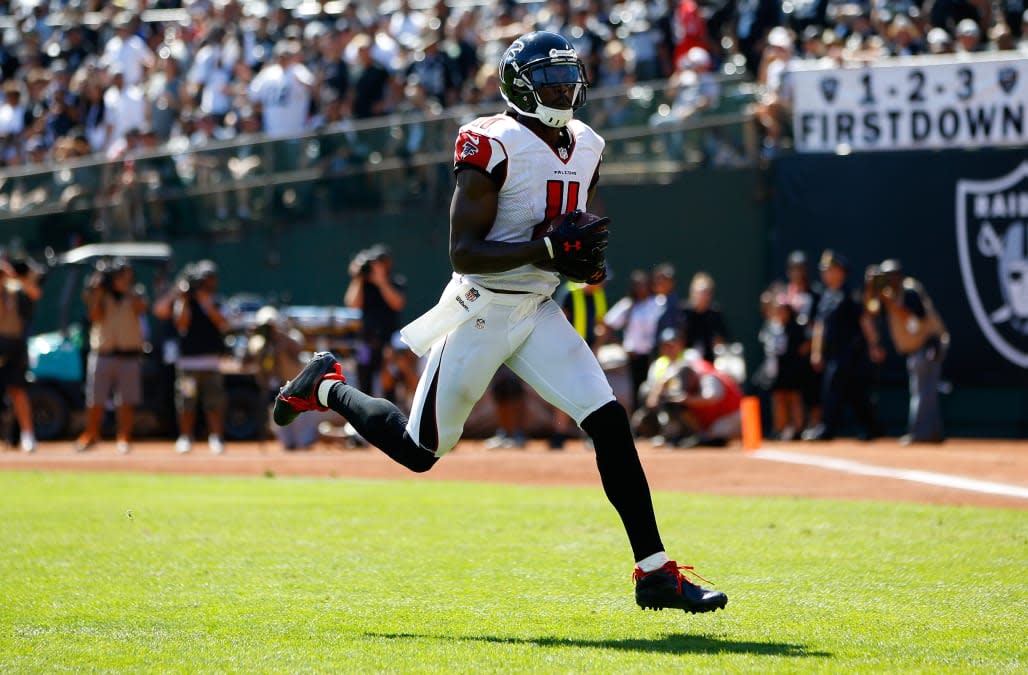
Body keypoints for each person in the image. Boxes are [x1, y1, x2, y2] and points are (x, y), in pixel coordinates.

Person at [273, 31, 727, 614]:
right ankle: (327, 386)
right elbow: (464, 252)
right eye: (550, 80)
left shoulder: (588, 143)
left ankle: (656, 572)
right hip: (481, 309)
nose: (564, 88)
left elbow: (580, 231)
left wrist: (587, 261)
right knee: (420, 452)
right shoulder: (492, 142)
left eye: (568, 76)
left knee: (610, 422)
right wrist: (548, 252)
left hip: (537, 308)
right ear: (519, 85)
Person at [866, 260, 949, 445]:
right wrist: (871, 289)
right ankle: (934, 432)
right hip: (917, 348)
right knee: (927, 390)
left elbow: (914, 321)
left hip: (929, 345)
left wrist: (888, 301)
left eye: (893, 275)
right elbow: (871, 309)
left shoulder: (910, 290)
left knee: (922, 390)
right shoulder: (887, 295)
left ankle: (919, 433)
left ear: (900, 276)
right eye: (886, 277)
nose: (890, 280)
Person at [803, 250, 881, 442]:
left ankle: (827, 428)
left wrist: (874, 345)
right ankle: (872, 427)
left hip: (851, 353)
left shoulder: (851, 293)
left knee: (837, 389)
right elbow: (820, 326)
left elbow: (865, 320)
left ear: (840, 272)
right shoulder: (826, 296)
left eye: (830, 270)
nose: (825, 274)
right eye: (824, 270)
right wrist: (816, 352)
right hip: (832, 352)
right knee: (854, 393)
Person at [154, 260, 229, 454]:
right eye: (204, 279)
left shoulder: (216, 300)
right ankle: (186, 437)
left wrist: (206, 302)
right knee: (186, 401)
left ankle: (216, 438)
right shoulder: (184, 301)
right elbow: (180, 324)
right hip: (188, 364)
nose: (207, 283)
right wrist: (182, 296)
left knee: (214, 401)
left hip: (211, 363)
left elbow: (223, 323)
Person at [75, 259, 148, 454]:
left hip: (129, 355)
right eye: (121, 275)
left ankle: (124, 437)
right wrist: (99, 288)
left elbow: (142, 308)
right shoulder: (100, 295)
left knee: (126, 400)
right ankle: (91, 434)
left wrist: (127, 290)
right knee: (95, 399)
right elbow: (94, 316)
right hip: (103, 353)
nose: (125, 278)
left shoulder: (135, 293)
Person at [344, 244, 407, 398]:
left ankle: (391, 409)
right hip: (367, 340)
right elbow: (352, 304)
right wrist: (357, 277)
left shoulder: (395, 281)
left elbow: (398, 303)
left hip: (387, 341)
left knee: (389, 378)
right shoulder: (364, 284)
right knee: (363, 372)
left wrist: (382, 282)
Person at [0, 256, 42, 452]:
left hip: (13, 345)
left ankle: (28, 434)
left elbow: (35, 293)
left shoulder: (14, 288)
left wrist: (11, 275)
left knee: (17, 389)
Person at [683, 271, 728, 363]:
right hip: (686, 362)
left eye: (707, 292)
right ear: (692, 292)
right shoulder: (683, 312)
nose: (703, 296)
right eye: (700, 292)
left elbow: (722, 340)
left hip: (710, 363)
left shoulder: (715, 313)